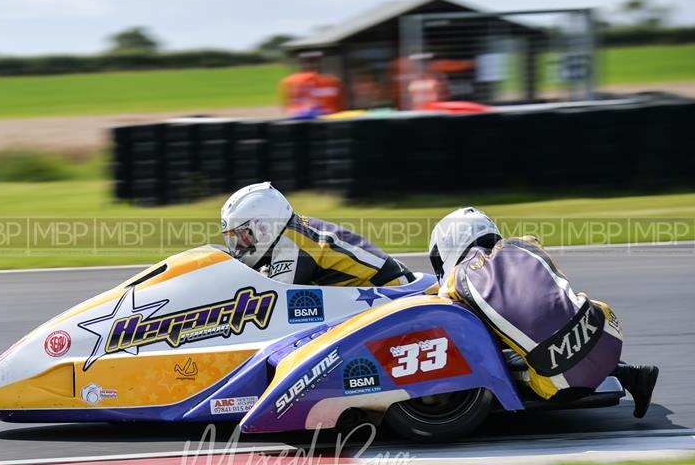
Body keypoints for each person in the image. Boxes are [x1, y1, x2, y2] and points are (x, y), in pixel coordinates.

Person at [428, 207, 659, 418]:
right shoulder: (525, 243)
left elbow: (445, 309)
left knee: (492, 349)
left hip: (559, 384)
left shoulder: (454, 279)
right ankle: (632, 374)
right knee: (557, 313)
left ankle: (577, 374)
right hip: (607, 331)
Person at [221, 182, 413, 286]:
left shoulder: (293, 243)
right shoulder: (290, 232)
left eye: (243, 235)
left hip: (392, 290)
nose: (240, 244)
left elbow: (273, 299)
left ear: (263, 227)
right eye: (234, 238)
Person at [279, 52, 346, 118]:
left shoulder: (289, 81)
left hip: (299, 120)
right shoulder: (333, 81)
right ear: (321, 63)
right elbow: (342, 106)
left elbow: (285, 105)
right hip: (329, 120)